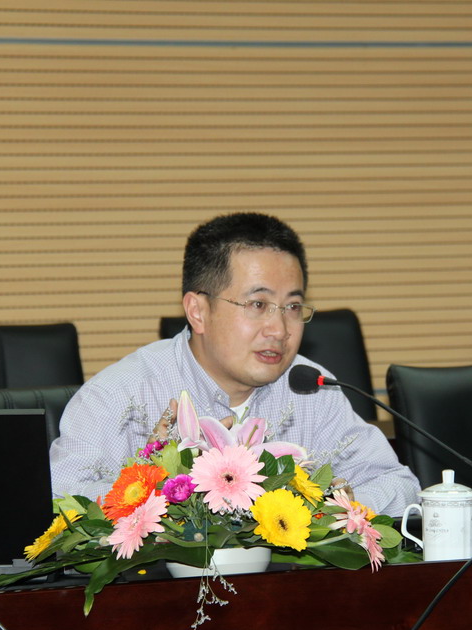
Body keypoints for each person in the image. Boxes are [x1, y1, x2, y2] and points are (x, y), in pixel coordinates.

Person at [49, 212, 421, 516]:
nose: (280, 330)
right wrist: (162, 497)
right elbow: (58, 500)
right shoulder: (121, 395)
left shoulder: (310, 388)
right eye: (258, 305)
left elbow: (398, 485)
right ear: (198, 311)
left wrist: (336, 509)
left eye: (293, 307)